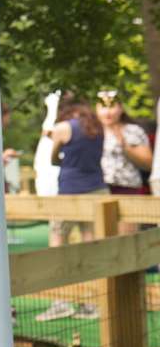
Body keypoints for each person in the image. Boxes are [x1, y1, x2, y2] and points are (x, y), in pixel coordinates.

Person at [36, 99, 106, 322]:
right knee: (92, 247)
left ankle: (61, 301)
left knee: (58, 243)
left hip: (70, 192)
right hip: (97, 189)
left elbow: (54, 158)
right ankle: (93, 302)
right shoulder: (96, 127)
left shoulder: (63, 128)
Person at [95, 90, 152, 195]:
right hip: (97, 188)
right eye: (103, 107)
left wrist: (125, 147)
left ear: (121, 108)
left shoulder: (133, 131)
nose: (107, 112)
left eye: (111, 106)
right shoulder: (90, 132)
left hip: (128, 188)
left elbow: (148, 163)